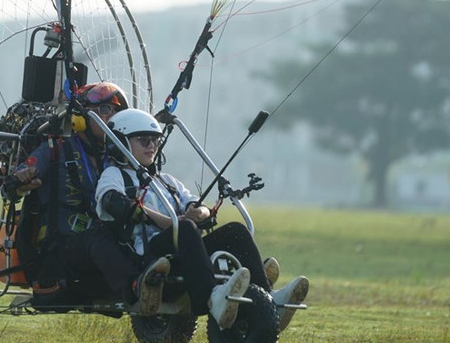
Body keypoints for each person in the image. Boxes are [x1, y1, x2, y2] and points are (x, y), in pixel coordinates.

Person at [95, 108, 308, 331]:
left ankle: (269, 298)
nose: (151, 146)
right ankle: (211, 297)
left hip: (186, 247)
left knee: (235, 230)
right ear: (120, 143)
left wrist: (199, 212)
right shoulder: (114, 176)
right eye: (143, 140)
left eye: (155, 141)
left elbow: (199, 207)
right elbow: (113, 203)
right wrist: (173, 222)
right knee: (185, 227)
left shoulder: (166, 180)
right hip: (151, 255)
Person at [12, 82, 169, 314]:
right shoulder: (55, 149)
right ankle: (136, 289)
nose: (112, 118)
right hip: (60, 257)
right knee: (100, 238)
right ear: (81, 117)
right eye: (105, 110)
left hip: (103, 253)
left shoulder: (120, 158)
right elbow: (15, 182)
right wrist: (22, 181)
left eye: (117, 112)